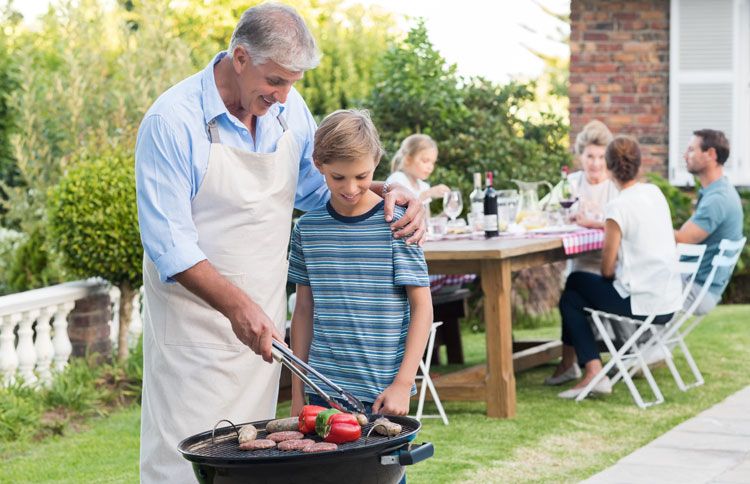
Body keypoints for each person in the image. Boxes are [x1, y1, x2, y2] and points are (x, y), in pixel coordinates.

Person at [134, 5, 425, 482]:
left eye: (292, 82)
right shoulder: (172, 122)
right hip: (195, 339)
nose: (284, 94)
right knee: (184, 469)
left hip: (264, 337)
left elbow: (321, 191)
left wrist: (390, 193)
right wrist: (237, 307)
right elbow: (169, 245)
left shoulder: (287, 111)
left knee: (261, 466)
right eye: (276, 81)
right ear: (240, 57)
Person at [288, 109, 432, 418]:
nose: (351, 188)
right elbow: (303, 310)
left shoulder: (399, 224)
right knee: (317, 468)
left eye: (362, 177)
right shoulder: (307, 230)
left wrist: (403, 382)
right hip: (322, 391)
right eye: (338, 177)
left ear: (377, 162)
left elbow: (422, 306)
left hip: (384, 394)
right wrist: (298, 391)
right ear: (318, 165)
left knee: (384, 469)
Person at [548, 136, 683, 399]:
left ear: (609, 169)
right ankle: (589, 370)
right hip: (668, 301)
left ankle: (591, 371)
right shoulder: (653, 193)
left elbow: (607, 269)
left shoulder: (617, 206)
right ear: (639, 165)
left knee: (573, 288)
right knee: (574, 289)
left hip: (641, 305)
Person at [674, 129, 744, 314]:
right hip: (698, 286)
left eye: (691, 150)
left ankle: (632, 342)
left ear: (711, 154)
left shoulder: (718, 199)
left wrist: (643, 228)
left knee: (627, 286)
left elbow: (682, 238)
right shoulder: (718, 191)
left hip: (695, 290)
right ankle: (640, 342)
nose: (684, 155)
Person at [386, 134, 450, 202]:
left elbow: (425, 213)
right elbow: (399, 211)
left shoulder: (424, 186)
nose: (430, 167)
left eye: (433, 163)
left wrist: (448, 211)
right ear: (408, 159)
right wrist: (427, 194)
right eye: (425, 161)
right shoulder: (397, 179)